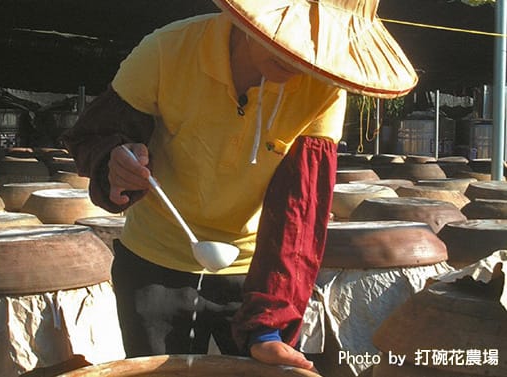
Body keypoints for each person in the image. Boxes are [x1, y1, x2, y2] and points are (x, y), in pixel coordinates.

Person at [61, 0, 417, 370]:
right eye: (287, 37)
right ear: (251, 15)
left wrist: (267, 324)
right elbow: (95, 133)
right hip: (154, 260)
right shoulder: (167, 51)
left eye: (313, 47)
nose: (297, 60)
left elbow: (299, 212)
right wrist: (114, 160)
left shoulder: (324, 88)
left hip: (254, 270)